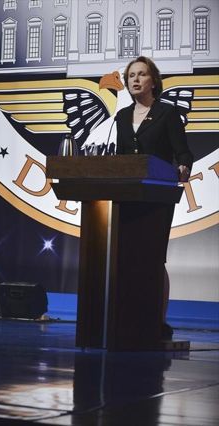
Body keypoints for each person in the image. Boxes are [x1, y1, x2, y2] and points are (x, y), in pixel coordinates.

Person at [115, 56, 193, 339]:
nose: (135, 80)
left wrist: (183, 167)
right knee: (126, 258)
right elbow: (120, 155)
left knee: (153, 259)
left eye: (141, 74)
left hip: (156, 196)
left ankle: (157, 321)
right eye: (131, 75)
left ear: (153, 81)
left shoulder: (167, 114)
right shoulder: (122, 116)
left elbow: (183, 152)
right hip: (126, 196)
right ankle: (125, 319)